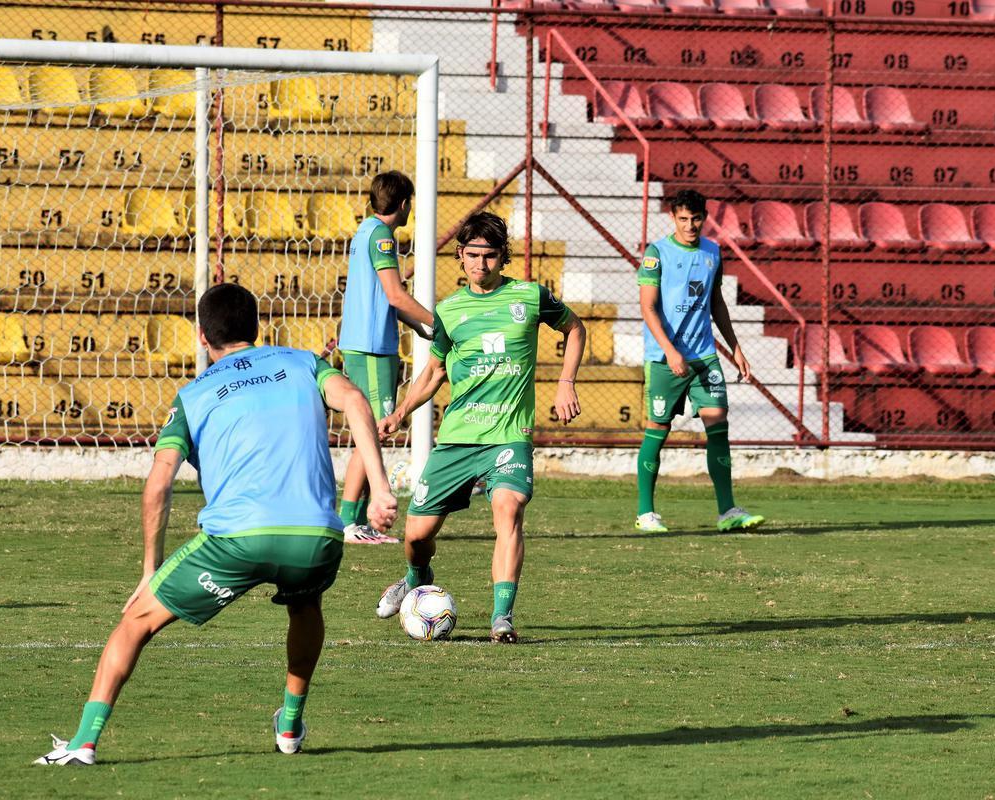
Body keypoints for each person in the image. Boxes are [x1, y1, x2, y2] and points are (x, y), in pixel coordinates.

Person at [34, 284, 398, 765]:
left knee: (135, 622)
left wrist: (150, 568)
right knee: (305, 604)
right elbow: (355, 400)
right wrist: (381, 487)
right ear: (257, 328)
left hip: (238, 541)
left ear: (202, 336)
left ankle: (83, 741)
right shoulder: (305, 362)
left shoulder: (194, 394)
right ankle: (290, 723)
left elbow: (158, 485)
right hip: (316, 537)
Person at [374, 212, 586, 643]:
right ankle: (417, 575)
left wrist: (566, 382)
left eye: (490, 256)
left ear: (502, 258)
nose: (481, 264)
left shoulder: (529, 296)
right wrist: (400, 413)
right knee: (416, 536)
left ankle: (501, 618)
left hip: (509, 436)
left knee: (508, 509)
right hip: (457, 439)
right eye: (473, 255)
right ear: (460, 256)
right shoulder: (449, 312)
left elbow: (575, 328)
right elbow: (434, 373)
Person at [634, 189, 765, 534]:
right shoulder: (656, 253)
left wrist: (734, 347)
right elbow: (647, 308)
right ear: (672, 218)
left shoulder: (713, 252)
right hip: (665, 359)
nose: (690, 225)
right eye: (683, 219)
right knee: (658, 431)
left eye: (695, 219)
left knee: (718, 422)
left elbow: (716, 302)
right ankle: (646, 512)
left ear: (704, 218)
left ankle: (727, 511)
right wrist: (670, 350)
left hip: (705, 355)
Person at [336, 170, 434, 545]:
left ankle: (351, 519)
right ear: (405, 203)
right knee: (374, 429)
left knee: (368, 427)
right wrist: (436, 322)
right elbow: (394, 295)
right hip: (374, 347)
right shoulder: (383, 239)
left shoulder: (366, 231)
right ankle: (350, 521)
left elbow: (386, 298)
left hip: (362, 343)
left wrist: (418, 325)